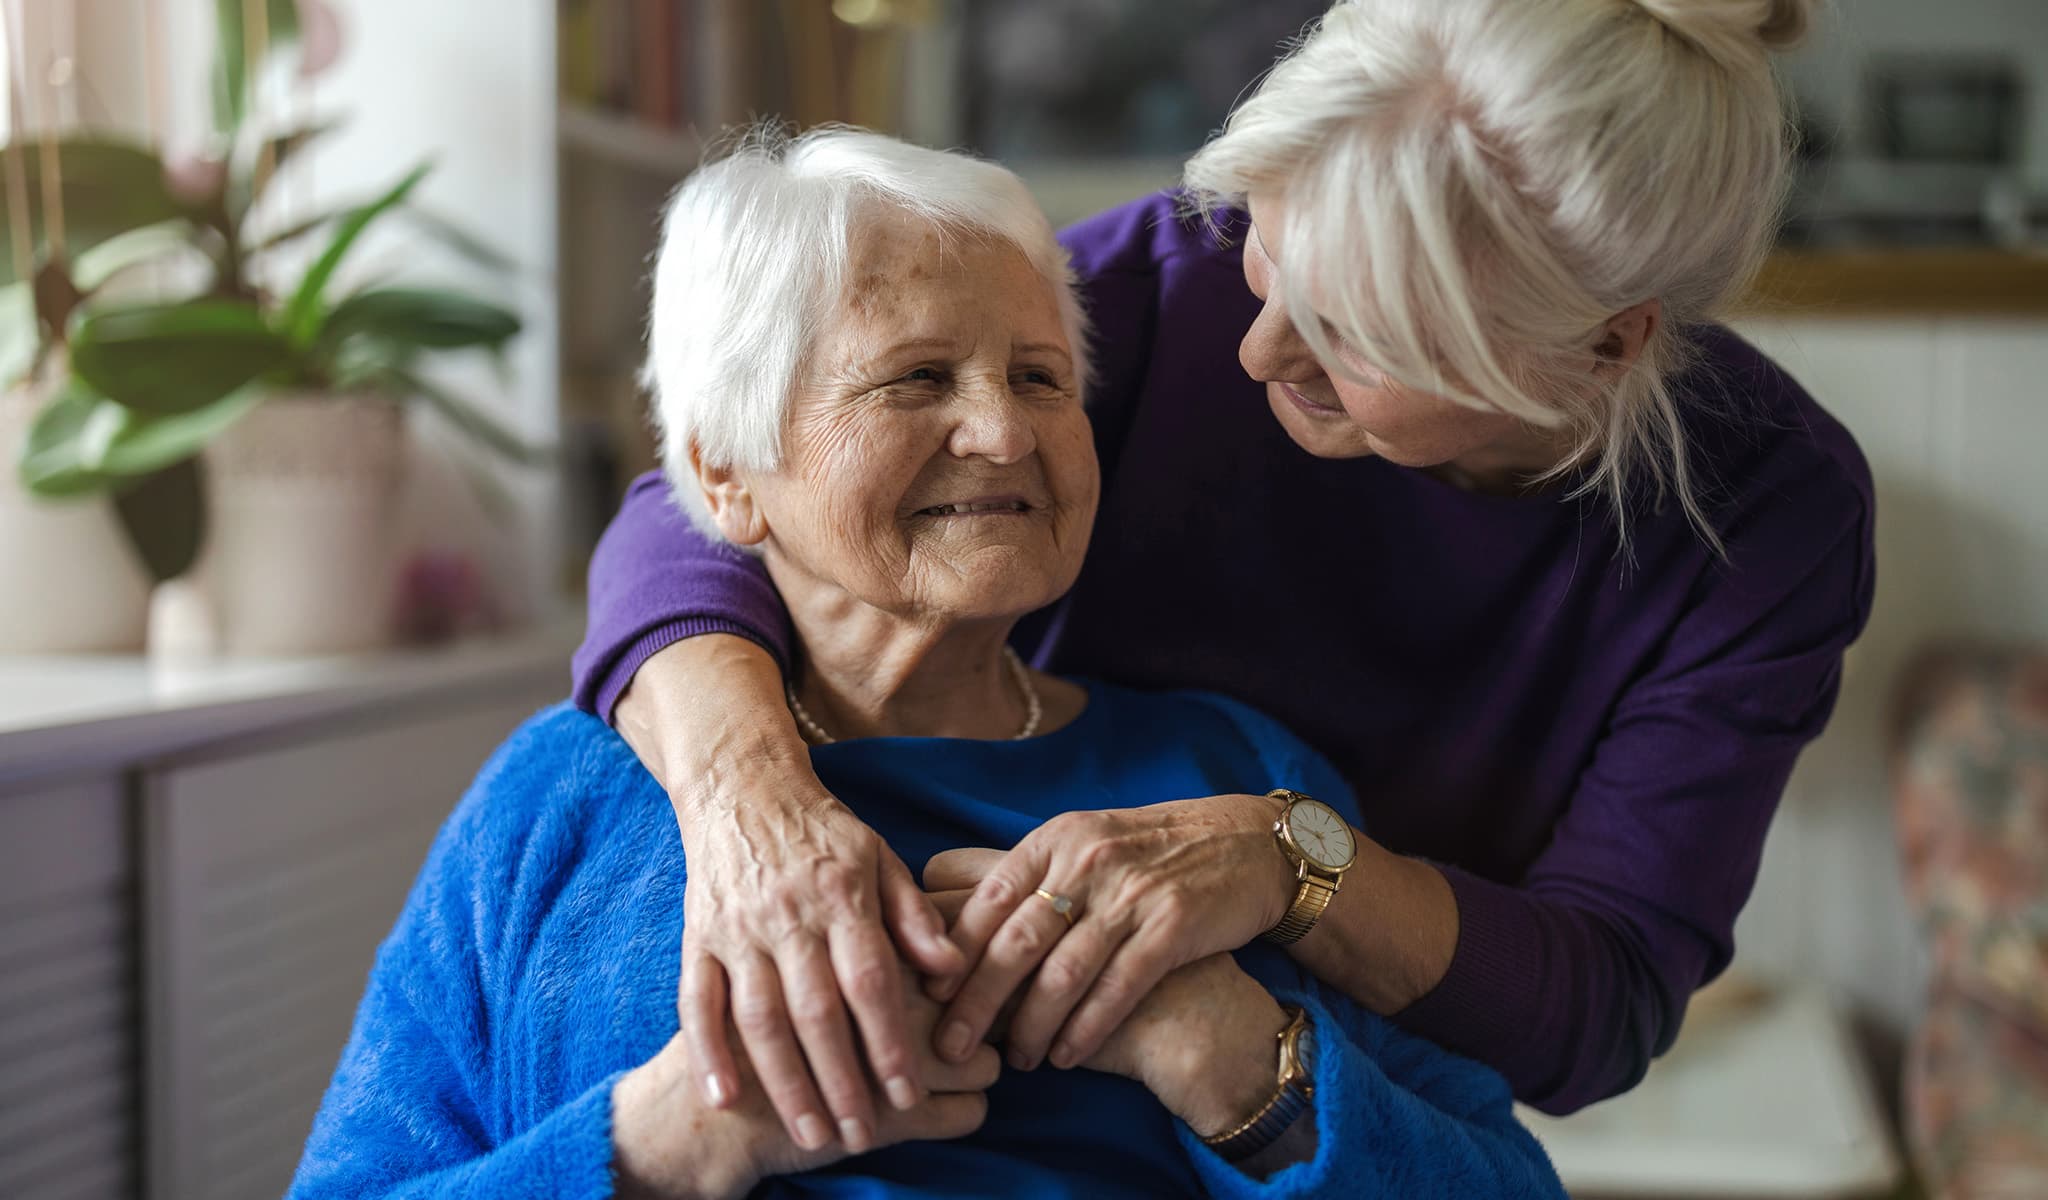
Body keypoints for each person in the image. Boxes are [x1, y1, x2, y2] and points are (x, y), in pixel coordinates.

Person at [576, 0, 1874, 1148]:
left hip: (1336, 1077)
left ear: (1603, 347)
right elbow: (712, 496)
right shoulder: (1168, 277)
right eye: (1268, 249)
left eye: (1356, 332)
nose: (1257, 353)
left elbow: (1601, 1001)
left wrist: (1294, 865)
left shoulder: (1768, 514)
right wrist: (755, 808)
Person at [285, 127, 1565, 1198]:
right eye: (913, 381)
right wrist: (674, 1138)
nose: (1004, 430)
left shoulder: (1232, 777)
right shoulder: (562, 799)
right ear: (725, 474)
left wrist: (1232, 1057)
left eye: (1040, 377)